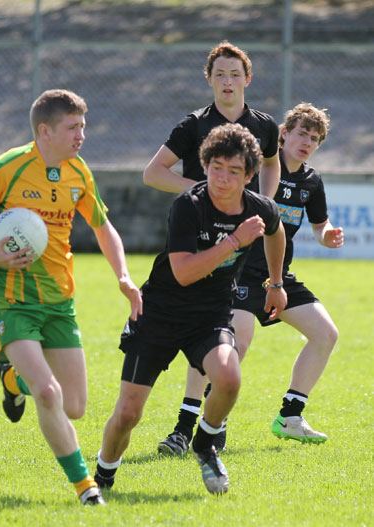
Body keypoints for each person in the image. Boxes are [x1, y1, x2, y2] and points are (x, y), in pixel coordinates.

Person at [0, 88, 142, 506]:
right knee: (48, 393)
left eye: (83, 127)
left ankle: (10, 377)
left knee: (73, 406)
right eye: (73, 128)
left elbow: (103, 227)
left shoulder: (79, 172)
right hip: (11, 297)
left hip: (60, 301)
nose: (81, 137)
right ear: (45, 131)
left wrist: (124, 277)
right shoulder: (7, 168)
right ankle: (85, 487)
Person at [94, 123, 287, 496]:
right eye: (216, 167)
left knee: (229, 378)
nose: (222, 178)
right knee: (129, 414)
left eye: (234, 171)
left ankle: (205, 442)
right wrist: (234, 241)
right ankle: (102, 474)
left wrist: (276, 283)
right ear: (204, 165)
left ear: (250, 175)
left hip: (210, 316)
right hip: (159, 315)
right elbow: (183, 273)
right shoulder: (189, 205)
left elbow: (275, 231)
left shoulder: (258, 208)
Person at [143, 40, 281, 455]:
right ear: (209, 79)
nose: (227, 81)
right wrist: (203, 190)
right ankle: (192, 427)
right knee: (220, 331)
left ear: (247, 79)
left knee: (234, 334)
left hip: (247, 243)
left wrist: (266, 203)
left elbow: (272, 162)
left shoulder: (265, 126)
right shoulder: (192, 126)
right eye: (219, 74)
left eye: (234, 74)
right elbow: (153, 173)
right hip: (200, 243)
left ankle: (198, 426)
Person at [232, 102, 343, 442]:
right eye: (301, 134)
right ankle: (203, 421)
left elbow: (320, 227)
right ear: (283, 134)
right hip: (238, 272)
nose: (307, 142)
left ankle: (290, 417)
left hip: (278, 275)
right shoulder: (262, 166)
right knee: (235, 345)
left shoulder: (311, 181)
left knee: (326, 334)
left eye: (314, 138)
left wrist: (329, 236)